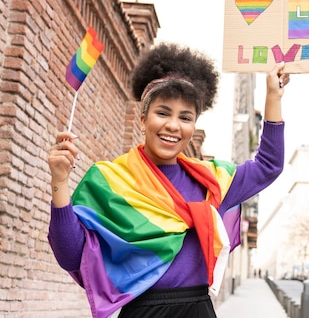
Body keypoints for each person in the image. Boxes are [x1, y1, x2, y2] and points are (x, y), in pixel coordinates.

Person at [47, 43, 290, 318]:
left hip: (198, 310)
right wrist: (60, 181)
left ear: (193, 127)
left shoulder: (213, 182)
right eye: (163, 113)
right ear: (142, 120)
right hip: (143, 312)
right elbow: (70, 255)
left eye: (185, 117)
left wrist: (273, 96)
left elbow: (269, 165)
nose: (173, 125)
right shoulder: (110, 182)